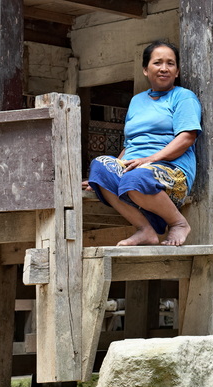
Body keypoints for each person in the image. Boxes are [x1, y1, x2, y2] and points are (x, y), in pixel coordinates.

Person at [84, 40, 201, 246]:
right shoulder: (136, 101)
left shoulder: (183, 97)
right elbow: (130, 143)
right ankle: (145, 229)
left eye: (170, 64)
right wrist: (103, 177)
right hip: (136, 167)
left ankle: (179, 223)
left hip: (171, 170)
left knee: (136, 177)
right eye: (157, 63)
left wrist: (150, 159)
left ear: (177, 70)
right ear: (146, 70)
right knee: (99, 165)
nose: (164, 68)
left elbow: (187, 138)